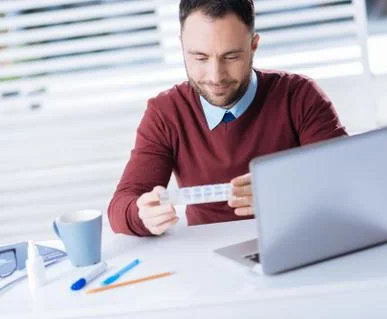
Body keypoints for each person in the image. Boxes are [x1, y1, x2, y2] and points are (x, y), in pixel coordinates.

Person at [108, 0, 347, 237]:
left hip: (297, 237)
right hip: (208, 253)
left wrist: (286, 191)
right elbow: (120, 207)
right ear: (182, 47)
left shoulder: (300, 96)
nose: (216, 77)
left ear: (253, 46)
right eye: (200, 58)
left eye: (231, 57)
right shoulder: (166, 113)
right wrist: (141, 215)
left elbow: (348, 181)